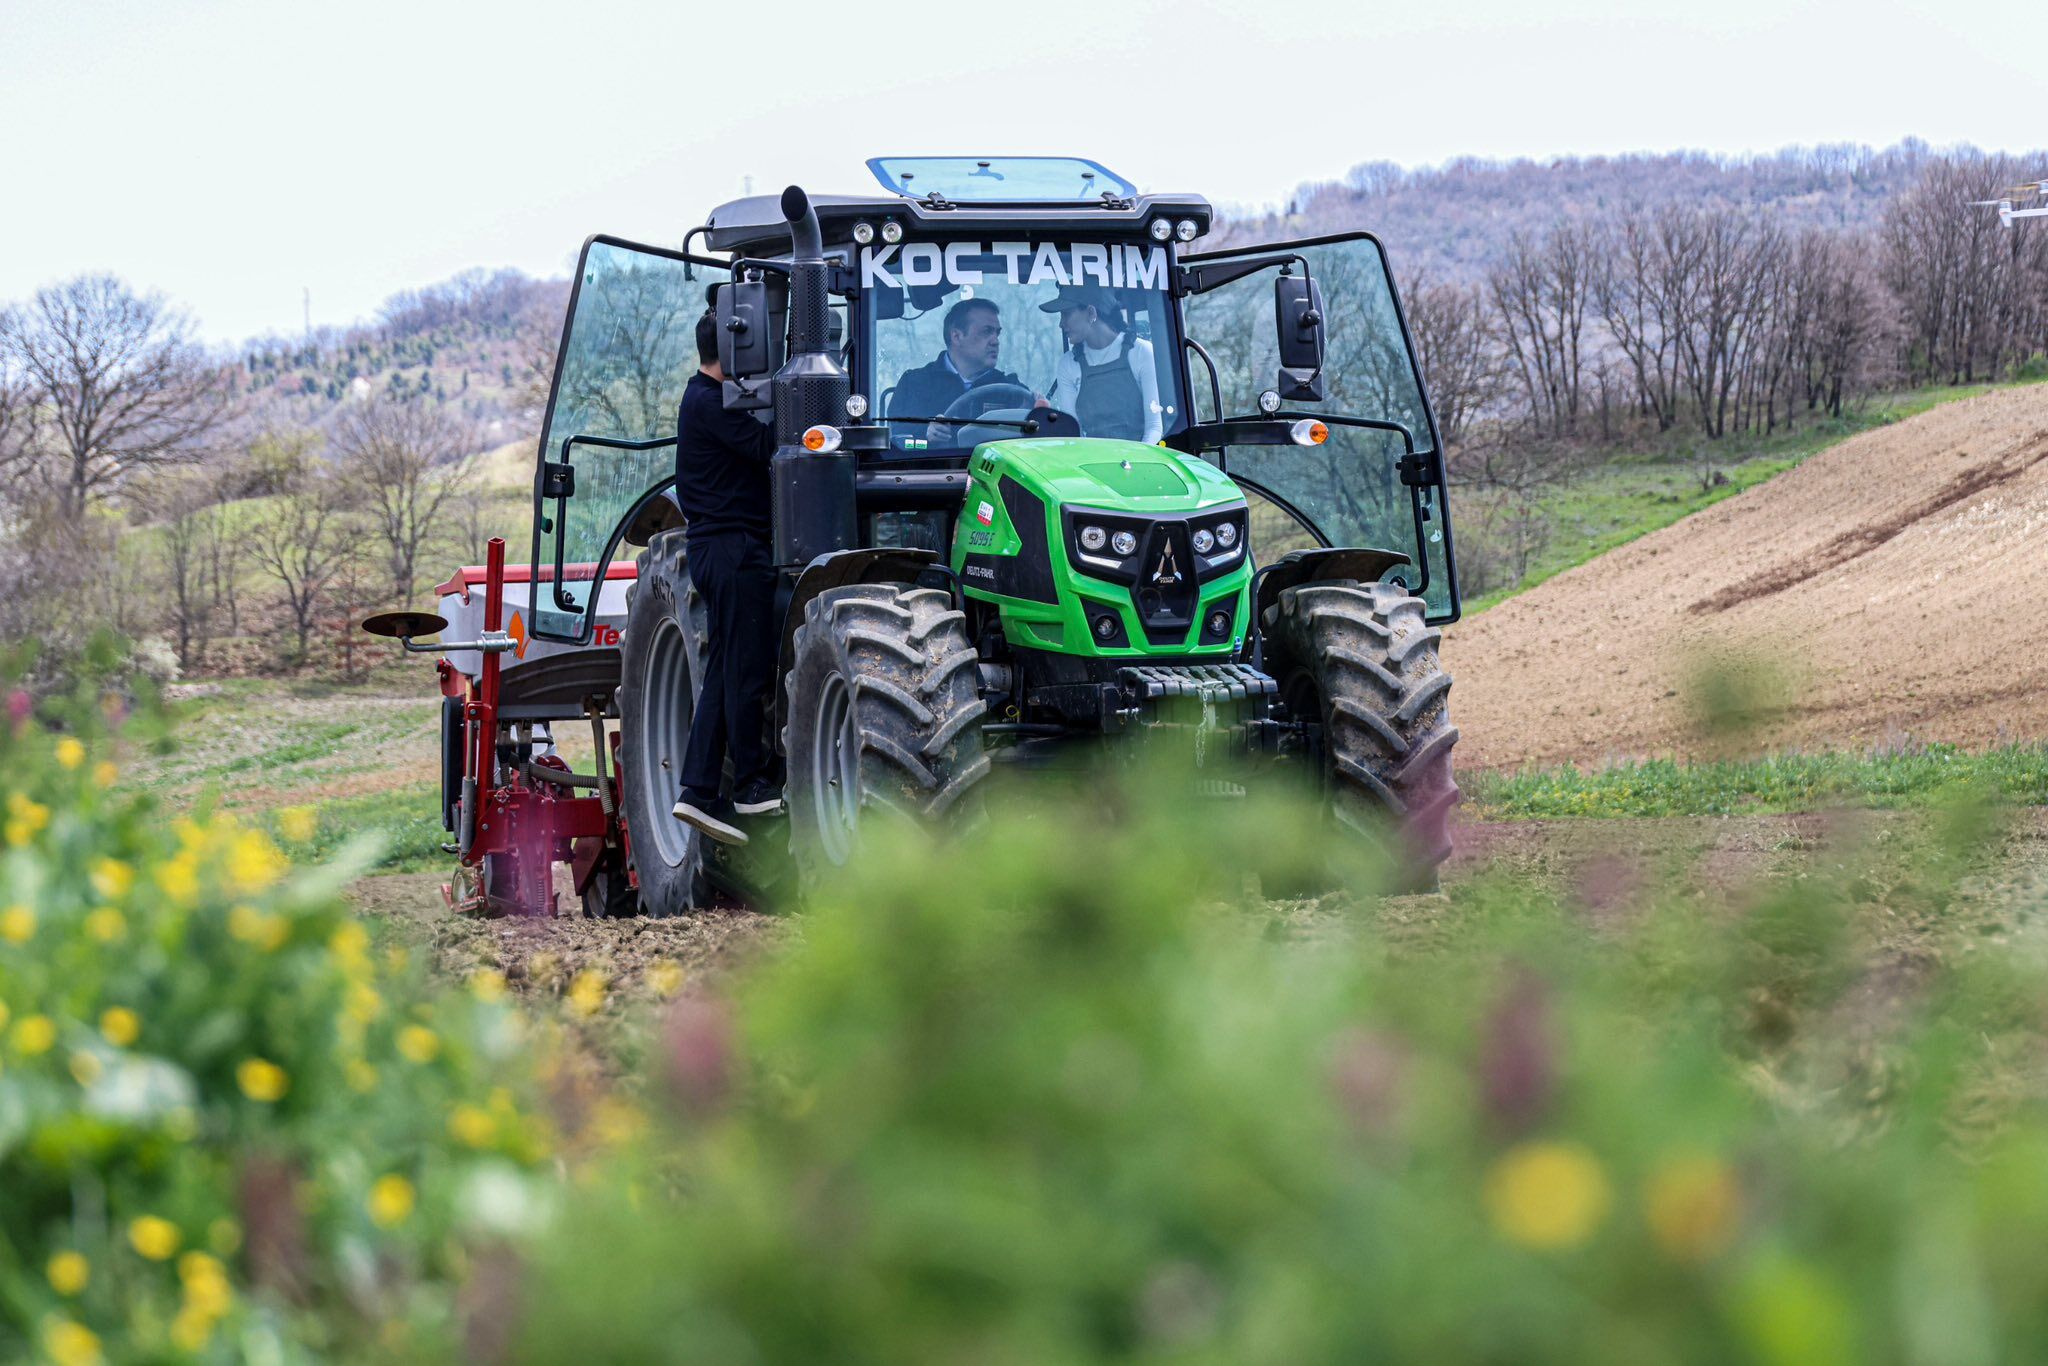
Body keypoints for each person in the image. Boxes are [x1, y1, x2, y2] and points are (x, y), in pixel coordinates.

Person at [669, 307, 781, 845]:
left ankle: (697, 790)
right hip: (733, 550)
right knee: (746, 670)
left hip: (720, 549)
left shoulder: (703, 400)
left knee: (723, 670)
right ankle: (751, 787)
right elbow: (768, 448)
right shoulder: (710, 404)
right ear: (736, 351)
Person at [886, 297, 1025, 443]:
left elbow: (1034, 432)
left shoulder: (1011, 389)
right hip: (930, 465)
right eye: (986, 331)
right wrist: (925, 432)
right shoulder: (914, 383)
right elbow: (897, 436)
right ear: (956, 336)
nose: (995, 341)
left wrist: (1041, 409)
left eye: (997, 333)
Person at [1039, 285, 1162, 443]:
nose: (1061, 324)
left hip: (1140, 462)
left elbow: (1154, 427)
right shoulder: (1068, 364)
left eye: (1066, 313)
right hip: (1091, 463)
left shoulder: (1141, 352)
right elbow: (1072, 435)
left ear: (1091, 313)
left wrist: (1134, 463)